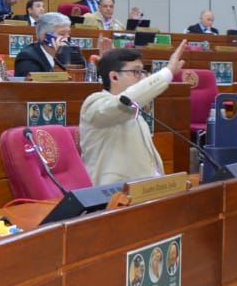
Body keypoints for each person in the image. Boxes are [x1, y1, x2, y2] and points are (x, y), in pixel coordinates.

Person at [79, 42, 186, 186]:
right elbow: (124, 102)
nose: (142, 77)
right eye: (136, 72)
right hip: (113, 195)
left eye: (143, 71)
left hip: (143, 191)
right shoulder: (94, 104)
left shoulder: (134, 109)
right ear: (114, 77)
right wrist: (167, 73)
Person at [13, 12, 71, 76]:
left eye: (68, 33)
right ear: (45, 36)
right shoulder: (28, 57)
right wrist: (60, 57)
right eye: (62, 34)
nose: (67, 37)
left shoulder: (70, 54)